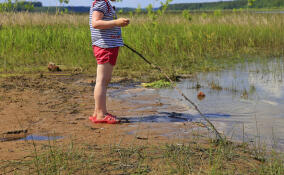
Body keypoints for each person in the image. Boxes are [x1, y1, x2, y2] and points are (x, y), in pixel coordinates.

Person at [89, 0, 129, 124]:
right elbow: (95, 23)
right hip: (105, 46)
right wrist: (116, 22)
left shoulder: (105, 4)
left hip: (108, 45)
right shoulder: (102, 3)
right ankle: (101, 114)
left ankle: (98, 112)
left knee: (103, 80)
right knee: (102, 81)